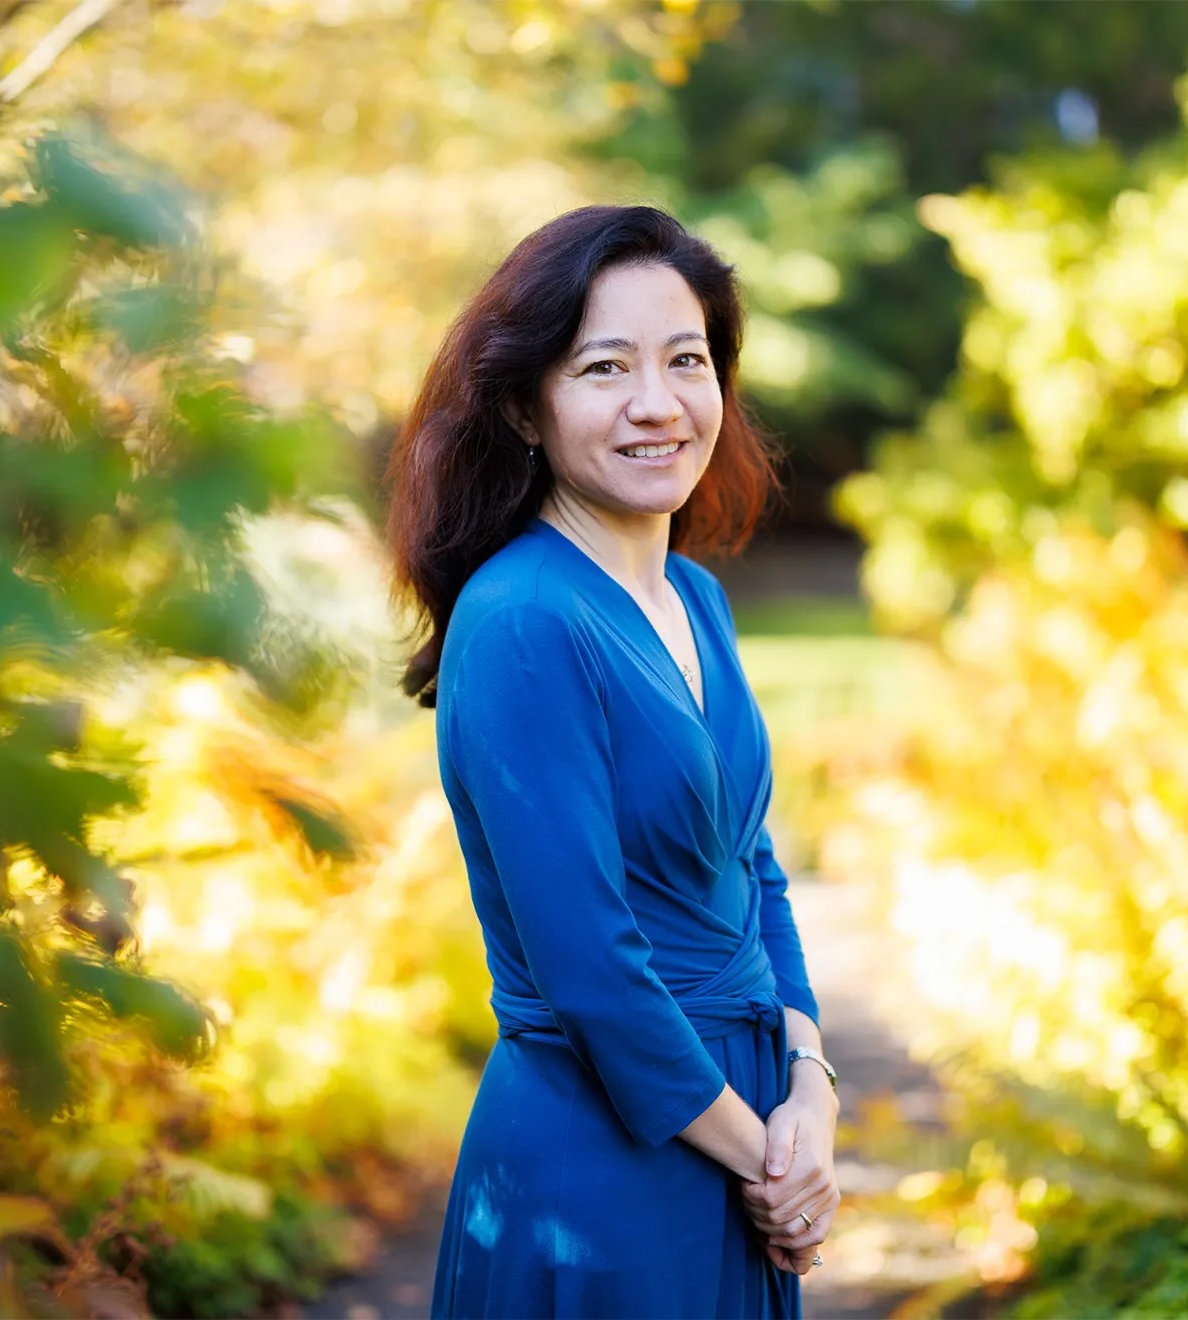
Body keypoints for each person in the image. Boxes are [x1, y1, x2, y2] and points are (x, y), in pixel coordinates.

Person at [386, 205, 840, 1318]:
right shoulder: (523, 620)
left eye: (687, 360)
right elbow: (589, 965)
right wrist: (769, 1162)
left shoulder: (694, 596)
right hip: (604, 1171)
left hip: (742, 1137)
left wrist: (813, 1088)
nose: (658, 402)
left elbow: (754, 868)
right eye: (604, 367)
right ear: (523, 407)